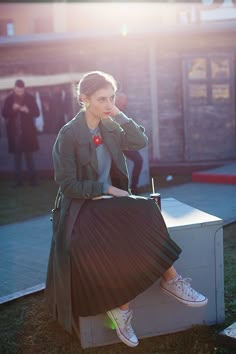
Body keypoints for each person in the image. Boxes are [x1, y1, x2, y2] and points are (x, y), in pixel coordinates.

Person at [45, 71, 208, 348]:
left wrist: (118, 114)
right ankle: (167, 281)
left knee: (143, 210)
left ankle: (123, 310)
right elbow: (68, 184)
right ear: (84, 99)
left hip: (113, 205)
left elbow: (139, 142)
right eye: (101, 99)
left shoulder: (110, 125)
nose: (108, 104)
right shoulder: (69, 134)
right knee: (142, 211)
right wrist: (106, 189)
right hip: (82, 210)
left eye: (112, 98)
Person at [2, 79, 40, 187]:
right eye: (17, 91)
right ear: (14, 88)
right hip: (15, 134)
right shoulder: (9, 99)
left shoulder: (30, 98)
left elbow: (37, 113)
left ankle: (33, 181)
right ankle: (18, 181)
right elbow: (4, 114)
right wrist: (13, 109)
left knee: (29, 158)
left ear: (24, 89)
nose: (19, 93)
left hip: (28, 133)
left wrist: (27, 110)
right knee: (17, 159)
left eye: (21, 91)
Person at [115, 92, 143, 194]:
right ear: (117, 101)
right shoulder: (112, 112)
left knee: (139, 160)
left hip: (127, 144)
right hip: (115, 145)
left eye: (125, 100)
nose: (124, 102)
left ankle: (134, 187)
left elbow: (134, 125)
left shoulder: (127, 112)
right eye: (122, 100)